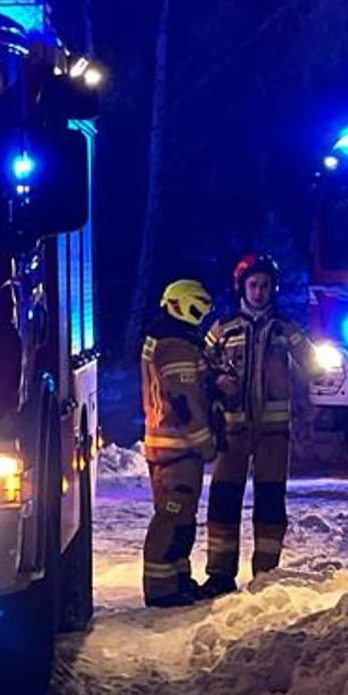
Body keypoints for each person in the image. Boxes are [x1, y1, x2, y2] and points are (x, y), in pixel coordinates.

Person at [198, 254, 318, 597]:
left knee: (269, 503)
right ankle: (219, 574)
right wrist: (217, 380)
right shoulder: (222, 330)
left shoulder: (285, 329)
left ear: (273, 289)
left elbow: (313, 365)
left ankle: (266, 574)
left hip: (273, 434)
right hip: (232, 431)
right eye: (253, 285)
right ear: (242, 287)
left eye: (265, 285)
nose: (259, 291)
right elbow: (202, 369)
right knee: (223, 501)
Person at [139, 279, 221, 607]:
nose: (201, 315)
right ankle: (161, 588)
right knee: (172, 515)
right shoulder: (175, 345)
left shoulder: (171, 340)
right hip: (177, 449)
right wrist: (204, 441)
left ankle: (177, 579)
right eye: (199, 306)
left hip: (174, 448)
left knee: (182, 516)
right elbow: (184, 399)